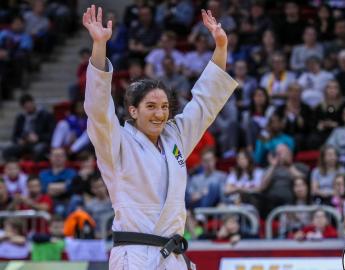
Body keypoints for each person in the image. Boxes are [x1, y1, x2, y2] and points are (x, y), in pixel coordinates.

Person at [82, 5, 237, 270]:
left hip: (172, 256)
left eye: (164, 107)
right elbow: (97, 108)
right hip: (135, 256)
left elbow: (206, 103)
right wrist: (99, 46)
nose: (160, 114)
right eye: (151, 107)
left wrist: (221, 47)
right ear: (133, 110)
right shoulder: (116, 142)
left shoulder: (174, 138)